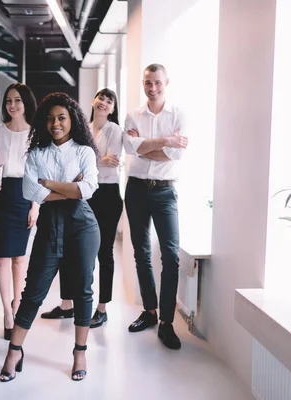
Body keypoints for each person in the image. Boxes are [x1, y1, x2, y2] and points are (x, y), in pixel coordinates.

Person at [0, 92, 100, 382]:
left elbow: (88, 189)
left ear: (73, 120)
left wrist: (50, 185)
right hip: (50, 227)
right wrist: (69, 187)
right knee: (33, 293)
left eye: (62, 117)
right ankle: (14, 351)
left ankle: (80, 352)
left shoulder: (84, 151)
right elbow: (31, 193)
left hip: (82, 225)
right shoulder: (36, 153)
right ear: (44, 121)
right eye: (51, 118)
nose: (56, 123)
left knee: (83, 290)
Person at [40, 88, 123, 328]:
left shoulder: (114, 130)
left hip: (107, 194)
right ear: (93, 101)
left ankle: (102, 308)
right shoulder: (82, 127)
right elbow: (75, 162)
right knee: (70, 249)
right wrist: (97, 161)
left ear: (113, 108)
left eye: (109, 101)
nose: (104, 103)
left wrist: (90, 163)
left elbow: (111, 161)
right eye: (101, 98)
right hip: (82, 192)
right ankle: (67, 305)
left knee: (104, 252)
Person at [123, 64, 188, 350]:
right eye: (148, 83)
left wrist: (145, 145)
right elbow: (131, 148)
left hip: (165, 193)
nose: (153, 88)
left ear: (166, 83)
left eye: (157, 82)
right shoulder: (132, 114)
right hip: (136, 189)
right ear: (143, 83)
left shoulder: (179, 114)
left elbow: (176, 154)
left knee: (171, 255)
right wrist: (164, 141)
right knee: (141, 252)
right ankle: (149, 311)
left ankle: (167, 322)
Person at [0, 83, 38, 340]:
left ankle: (18, 306)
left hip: (25, 196)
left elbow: (40, 174)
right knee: (2, 258)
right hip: (0, 197)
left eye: (17, 100)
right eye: (8, 101)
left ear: (26, 103)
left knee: (19, 259)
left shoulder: (36, 135)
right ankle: (6, 312)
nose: (12, 105)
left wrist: (36, 205)